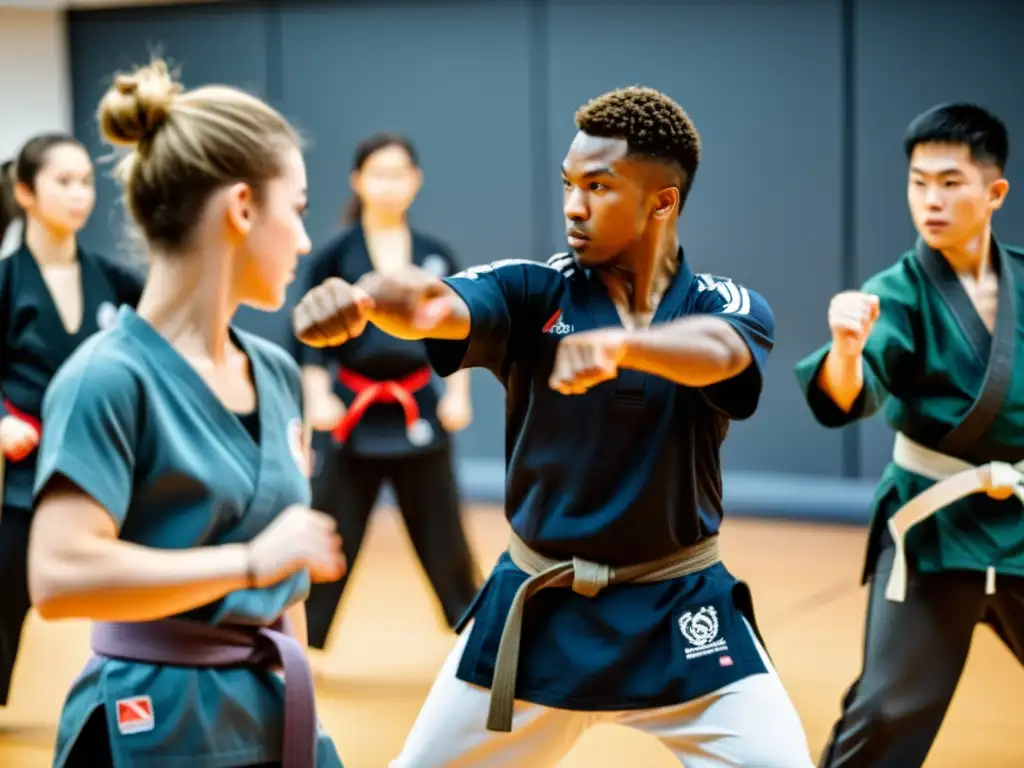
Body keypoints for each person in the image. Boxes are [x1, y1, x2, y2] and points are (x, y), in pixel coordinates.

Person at [295, 85, 814, 767]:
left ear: (662, 201)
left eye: (598, 187)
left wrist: (629, 346)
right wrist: (364, 301)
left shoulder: (724, 303)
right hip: (536, 614)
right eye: (569, 184)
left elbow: (723, 353)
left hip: (681, 612)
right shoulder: (530, 291)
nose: (573, 205)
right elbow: (429, 305)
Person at [26, 59, 346, 768]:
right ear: (240, 208)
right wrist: (248, 563)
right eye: (295, 208)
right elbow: (56, 576)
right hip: (152, 718)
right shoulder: (105, 377)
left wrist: (308, 720)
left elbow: (280, 581)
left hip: (271, 709)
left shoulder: (277, 373)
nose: (302, 240)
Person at [794, 103, 1024, 767]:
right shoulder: (894, 292)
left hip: (1021, 520)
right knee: (889, 709)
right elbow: (849, 391)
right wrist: (845, 346)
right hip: (935, 524)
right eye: (918, 182)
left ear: (994, 192)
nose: (931, 199)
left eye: (950, 182)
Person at [299, 133, 480, 654]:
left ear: (416, 181)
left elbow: (463, 328)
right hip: (350, 410)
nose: (389, 184)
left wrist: (457, 393)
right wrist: (317, 395)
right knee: (331, 529)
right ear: (358, 181)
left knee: (444, 530)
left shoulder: (435, 255)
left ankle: (475, 636)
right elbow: (307, 331)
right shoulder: (334, 254)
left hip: (417, 406)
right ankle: (304, 645)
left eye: (399, 173)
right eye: (377, 174)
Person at [0, 132, 144, 709]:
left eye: (87, 181)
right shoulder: (7, 281)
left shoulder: (115, 280)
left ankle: (138, 698)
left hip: (105, 462)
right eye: (63, 181)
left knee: (135, 587)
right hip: (25, 465)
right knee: (6, 587)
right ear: (26, 192)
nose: (79, 194)